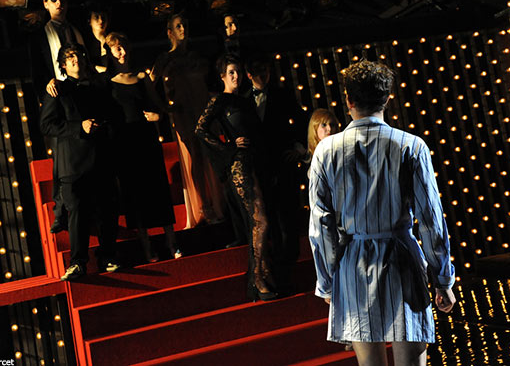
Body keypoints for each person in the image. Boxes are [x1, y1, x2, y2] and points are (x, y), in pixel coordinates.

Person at [309, 60, 456, 366]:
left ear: (348, 100)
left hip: (354, 264)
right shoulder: (411, 146)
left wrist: (327, 281)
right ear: (388, 98)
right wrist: (442, 278)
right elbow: (430, 219)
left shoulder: (326, 150)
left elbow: (321, 225)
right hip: (402, 259)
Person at [195, 54, 276, 301]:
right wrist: (228, 147)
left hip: (256, 164)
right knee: (260, 221)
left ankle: (263, 272)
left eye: (238, 72)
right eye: (231, 72)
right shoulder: (219, 100)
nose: (236, 76)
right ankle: (257, 278)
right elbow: (200, 130)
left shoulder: (245, 100)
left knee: (259, 222)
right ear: (222, 76)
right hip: (239, 166)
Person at [39, 43, 121, 281]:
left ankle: (108, 257)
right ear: (63, 65)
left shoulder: (100, 86)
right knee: (78, 213)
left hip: (101, 157)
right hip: (73, 163)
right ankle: (77, 263)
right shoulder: (58, 89)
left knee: (107, 210)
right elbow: (46, 125)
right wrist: (79, 127)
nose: (75, 59)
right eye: (70, 57)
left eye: (78, 55)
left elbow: (114, 114)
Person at [105, 32, 181, 261]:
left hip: (147, 137)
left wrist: (159, 117)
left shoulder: (141, 76)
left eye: (123, 46)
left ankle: (172, 242)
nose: (122, 52)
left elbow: (159, 106)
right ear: (109, 52)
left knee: (158, 187)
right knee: (135, 193)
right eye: (117, 48)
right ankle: (148, 247)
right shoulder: (107, 81)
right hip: (125, 142)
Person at [150, 14, 223, 227]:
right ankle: (204, 206)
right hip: (184, 112)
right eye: (178, 26)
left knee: (210, 153)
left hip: (202, 108)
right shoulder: (165, 59)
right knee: (195, 155)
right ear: (170, 32)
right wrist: (164, 108)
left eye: (185, 25)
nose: (183, 29)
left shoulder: (196, 57)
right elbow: (149, 84)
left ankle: (219, 202)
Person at [31, 0, 86, 235]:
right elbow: (37, 70)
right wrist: (47, 92)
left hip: (79, 92)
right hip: (57, 95)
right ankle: (60, 210)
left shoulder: (76, 30)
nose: (59, 2)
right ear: (45, 3)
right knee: (61, 158)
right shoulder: (40, 35)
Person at [246, 57, 307, 269]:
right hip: (260, 165)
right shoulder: (243, 100)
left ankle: (292, 257)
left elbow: (301, 119)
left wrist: (299, 147)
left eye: (266, 70)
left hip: (283, 160)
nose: (263, 75)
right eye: (258, 72)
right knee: (268, 213)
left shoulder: (282, 94)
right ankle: (277, 258)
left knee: (288, 210)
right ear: (249, 75)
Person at [85, 2, 110, 73]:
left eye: (103, 17)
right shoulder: (85, 42)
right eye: (96, 17)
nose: (101, 21)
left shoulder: (114, 40)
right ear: (89, 21)